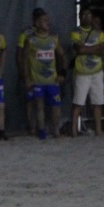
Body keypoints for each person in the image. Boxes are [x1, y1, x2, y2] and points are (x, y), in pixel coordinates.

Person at [16, 8, 65, 140]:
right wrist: (26, 78)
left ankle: (56, 131)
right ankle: (41, 131)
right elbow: (24, 59)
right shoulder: (30, 40)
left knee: (56, 107)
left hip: (52, 80)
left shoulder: (53, 39)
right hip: (37, 80)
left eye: (48, 20)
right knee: (39, 106)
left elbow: (61, 55)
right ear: (37, 23)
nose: (47, 23)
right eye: (44, 21)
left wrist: (62, 73)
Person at [68, 8, 104, 137]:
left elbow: (103, 51)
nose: (86, 17)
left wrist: (87, 49)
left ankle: (98, 129)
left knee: (98, 102)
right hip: (82, 72)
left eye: (88, 15)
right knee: (78, 102)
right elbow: (79, 49)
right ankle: (73, 130)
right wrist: (95, 49)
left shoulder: (98, 33)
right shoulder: (75, 33)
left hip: (96, 71)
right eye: (83, 15)